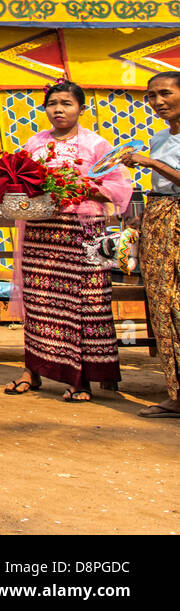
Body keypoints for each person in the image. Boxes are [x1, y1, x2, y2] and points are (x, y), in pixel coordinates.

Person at [2, 81, 132, 402]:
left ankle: (80, 377)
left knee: (85, 302)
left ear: (81, 109)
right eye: (52, 104)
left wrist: (86, 189)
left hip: (85, 232)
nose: (58, 109)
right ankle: (31, 370)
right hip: (42, 234)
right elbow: (17, 180)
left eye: (66, 103)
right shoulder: (34, 143)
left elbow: (120, 187)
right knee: (40, 301)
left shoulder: (96, 145)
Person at [128, 70, 180, 417]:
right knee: (162, 303)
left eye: (165, 94)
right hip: (160, 218)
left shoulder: (156, 151)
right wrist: (139, 216)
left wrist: (150, 162)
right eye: (151, 96)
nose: (157, 102)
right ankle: (176, 391)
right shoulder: (161, 137)